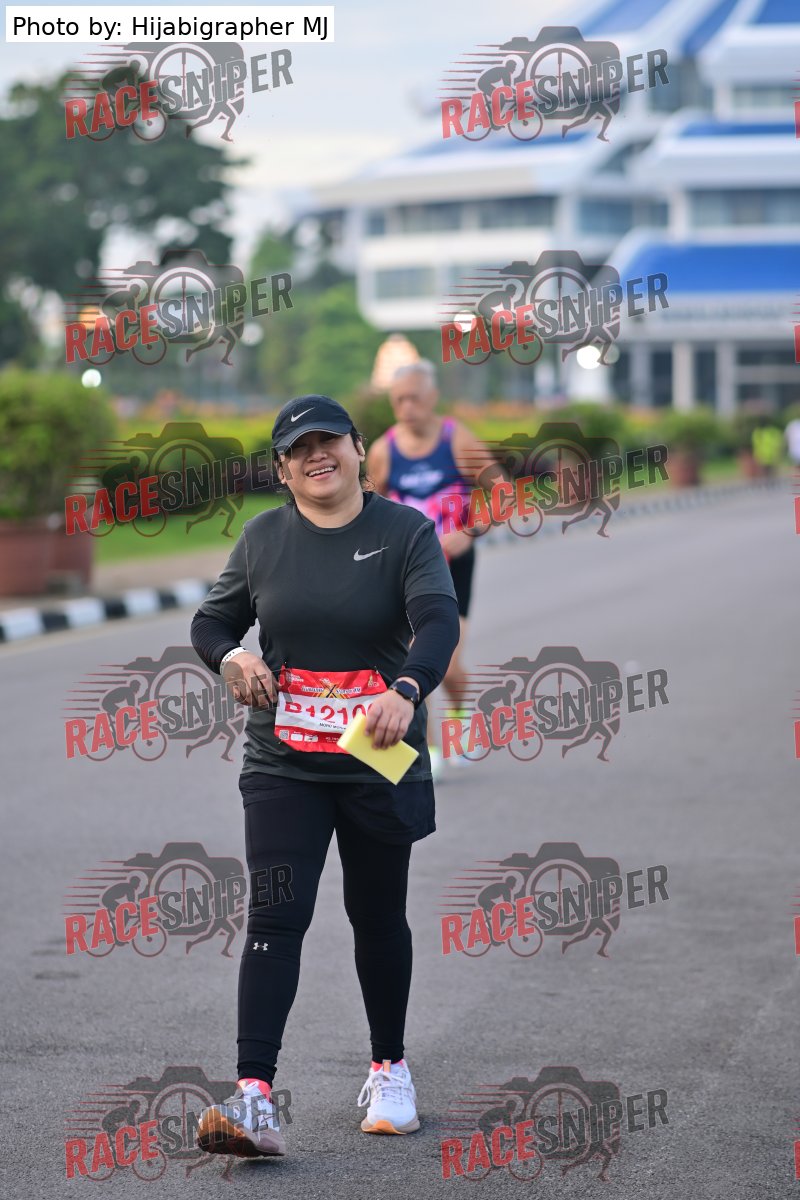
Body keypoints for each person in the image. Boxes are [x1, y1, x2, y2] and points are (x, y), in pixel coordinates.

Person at [189, 394, 460, 1158]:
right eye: (298, 449)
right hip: (286, 763)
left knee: (377, 916)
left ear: (358, 447)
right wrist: (232, 656)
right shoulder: (263, 538)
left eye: (329, 441)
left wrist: (405, 689)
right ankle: (253, 1098)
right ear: (282, 469)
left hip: (377, 754)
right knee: (277, 915)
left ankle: (390, 1069)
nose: (317, 456)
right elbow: (211, 622)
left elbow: (438, 620)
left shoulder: (405, 531)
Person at [366, 360, 503, 776]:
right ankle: (428, 751)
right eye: (398, 400)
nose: (406, 407)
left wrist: (470, 531)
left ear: (432, 397)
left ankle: (461, 719)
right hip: (405, 569)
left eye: (414, 398)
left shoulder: (457, 440)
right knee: (411, 660)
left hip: (453, 567)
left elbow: (502, 493)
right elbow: (368, 510)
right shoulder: (383, 452)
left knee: (448, 664)